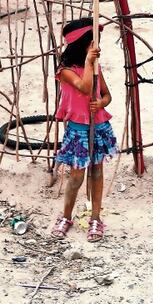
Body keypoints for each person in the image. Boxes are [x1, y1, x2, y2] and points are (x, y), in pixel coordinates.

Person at [50, 17, 117, 242]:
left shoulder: (95, 68)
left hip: (98, 126)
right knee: (77, 176)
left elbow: (105, 94)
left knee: (97, 172)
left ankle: (96, 218)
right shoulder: (65, 71)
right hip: (78, 130)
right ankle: (66, 216)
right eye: (92, 43)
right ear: (82, 45)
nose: (97, 48)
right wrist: (89, 63)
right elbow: (85, 87)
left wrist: (101, 103)